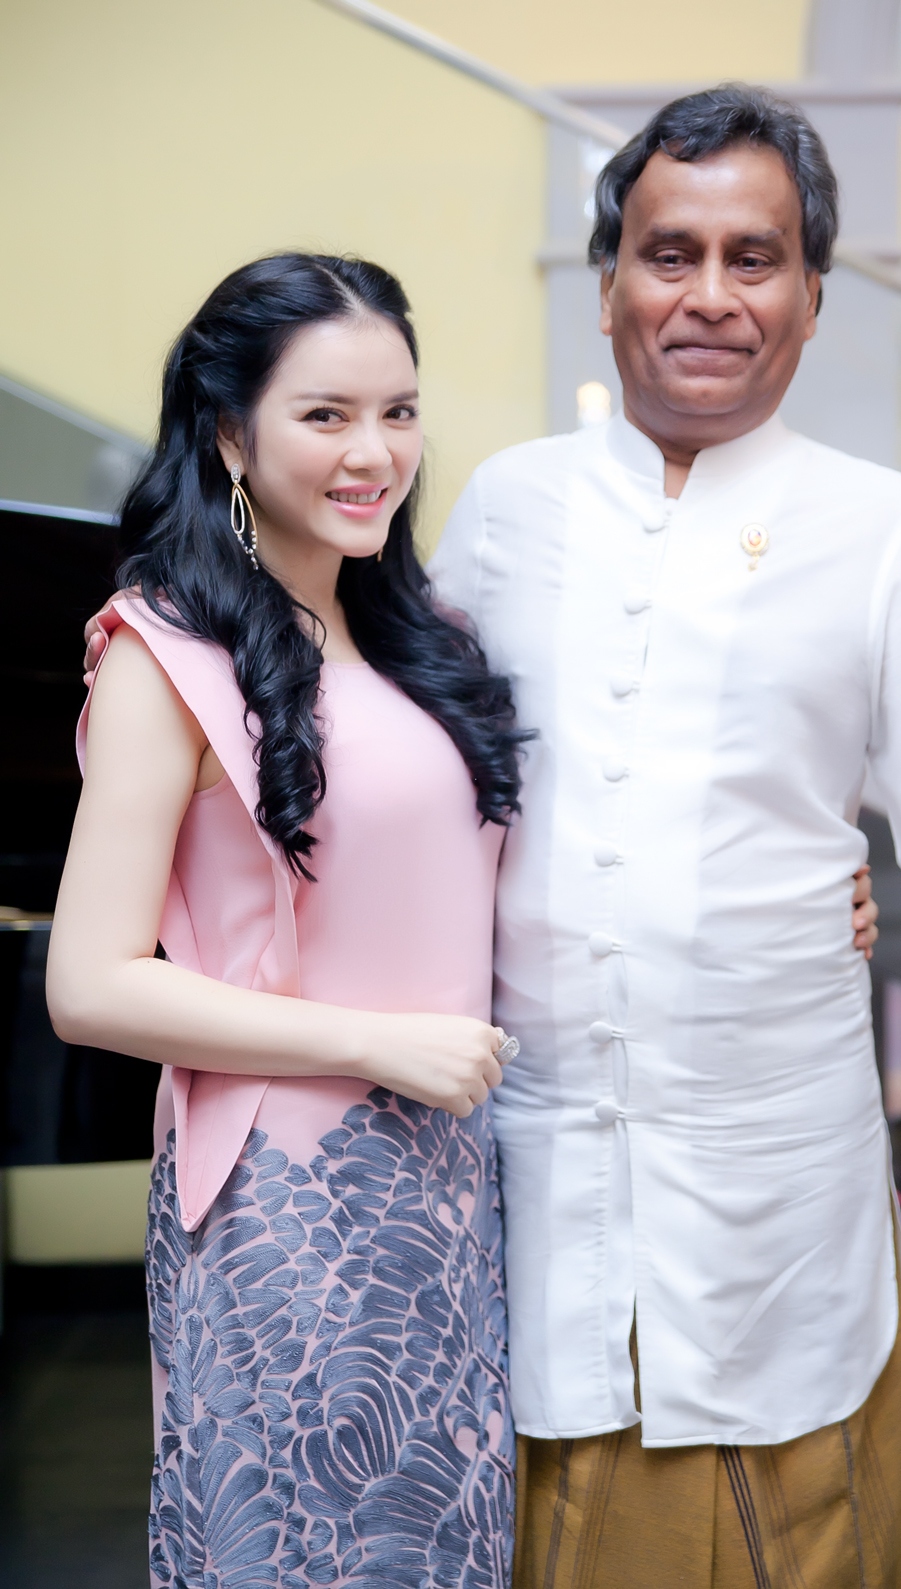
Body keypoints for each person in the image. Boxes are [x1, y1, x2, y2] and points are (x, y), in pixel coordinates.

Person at [425, 86, 901, 1587]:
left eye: (755, 257)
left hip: (776, 1210)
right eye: (670, 254)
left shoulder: (887, 530)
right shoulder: (507, 508)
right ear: (608, 286)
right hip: (530, 1203)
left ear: (812, 295)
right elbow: (411, 794)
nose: (710, 295)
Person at [49, 253, 525, 1589]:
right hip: (286, 1201)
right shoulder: (163, 649)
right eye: (326, 415)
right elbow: (88, 984)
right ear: (228, 435)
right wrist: (376, 1041)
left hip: (449, 1185)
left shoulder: (426, 639)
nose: (376, 453)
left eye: (399, 411)